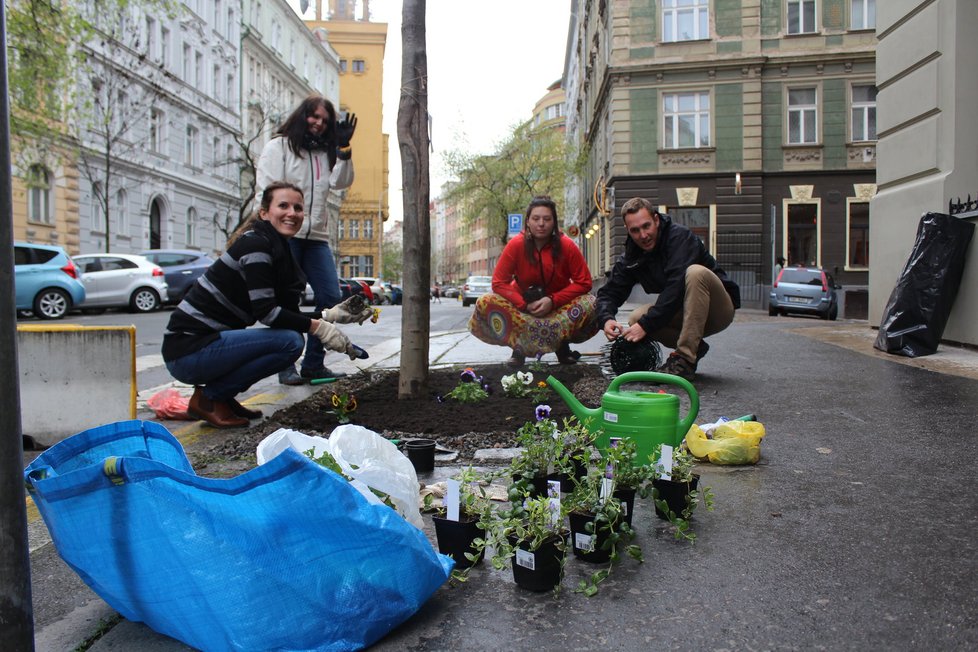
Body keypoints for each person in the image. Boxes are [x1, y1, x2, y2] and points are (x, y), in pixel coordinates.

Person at [162, 182, 373, 428]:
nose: (292, 213)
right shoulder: (257, 246)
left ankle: (222, 397)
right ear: (264, 212)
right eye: (283, 205)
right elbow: (268, 314)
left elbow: (287, 315)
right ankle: (210, 399)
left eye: (298, 207)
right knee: (289, 342)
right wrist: (319, 328)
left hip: (203, 345)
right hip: (187, 351)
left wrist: (330, 314)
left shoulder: (276, 248)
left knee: (290, 336)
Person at [255, 94, 357, 385]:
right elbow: (268, 189)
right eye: (314, 117)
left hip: (317, 237)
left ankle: (314, 364)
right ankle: (286, 364)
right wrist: (272, 230)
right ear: (302, 116)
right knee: (287, 300)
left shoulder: (326, 154)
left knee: (330, 297)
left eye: (325, 120)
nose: (319, 123)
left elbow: (342, 181)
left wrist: (345, 149)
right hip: (286, 235)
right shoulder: (280, 147)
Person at [595, 197, 739, 381]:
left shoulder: (680, 237)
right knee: (635, 319)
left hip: (717, 309)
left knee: (695, 273)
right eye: (635, 230)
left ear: (656, 219)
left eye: (646, 226)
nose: (643, 235)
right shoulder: (632, 256)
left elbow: (676, 287)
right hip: (685, 311)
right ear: (628, 231)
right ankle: (696, 347)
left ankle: (685, 359)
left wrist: (646, 326)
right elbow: (610, 292)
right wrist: (606, 319)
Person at [469, 195, 598, 367]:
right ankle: (519, 348)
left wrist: (552, 301)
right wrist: (523, 304)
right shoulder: (515, 245)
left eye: (547, 219)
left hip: (559, 310)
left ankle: (562, 346)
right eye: (536, 218)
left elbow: (584, 282)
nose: (541, 223)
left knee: (592, 302)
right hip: (523, 311)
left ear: (554, 222)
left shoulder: (567, 245)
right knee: (485, 301)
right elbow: (499, 282)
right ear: (527, 221)